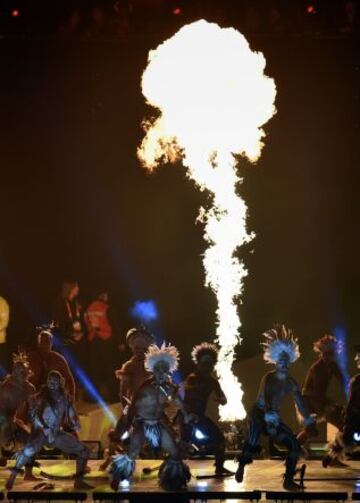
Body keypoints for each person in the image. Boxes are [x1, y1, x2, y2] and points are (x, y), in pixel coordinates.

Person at [235, 324, 315, 491]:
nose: (284, 364)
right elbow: (268, 400)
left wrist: (308, 420)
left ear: (290, 362)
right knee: (252, 442)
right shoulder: (269, 378)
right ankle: (242, 465)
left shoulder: (291, 383)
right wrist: (270, 423)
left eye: (286, 361)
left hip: (274, 416)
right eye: (281, 361)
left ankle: (288, 480)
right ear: (276, 362)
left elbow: (300, 403)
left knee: (294, 445)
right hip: (259, 414)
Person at [110, 343, 193, 491]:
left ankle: (171, 480)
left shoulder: (169, 388)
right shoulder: (145, 386)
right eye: (158, 369)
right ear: (153, 370)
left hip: (157, 424)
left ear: (168, 371)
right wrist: (127, 423)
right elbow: (132, 406)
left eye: (164, 369)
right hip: (141, 423)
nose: (161, 372)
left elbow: (179, 403)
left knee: (175, 453)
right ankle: (117, 475)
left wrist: (187, 415)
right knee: (133, 452)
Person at [5, 370, 91, 490]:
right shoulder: (40, 397)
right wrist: (44, 428)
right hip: (41, 433)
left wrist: (75, 422)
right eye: (50, 381)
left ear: (60, 382)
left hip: (55, 434)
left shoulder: (66, 398)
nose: (52, 383)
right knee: (28, 451)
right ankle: (11, 479)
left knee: (84, 450)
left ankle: (79, 481)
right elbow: (33, 415)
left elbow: (71, 413)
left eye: (55, 381)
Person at [181, 342, 233, 475]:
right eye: (204, 364)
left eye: (210, 364)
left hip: (200, 417)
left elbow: (224, 399)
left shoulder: (213, 382)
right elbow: (188, 398)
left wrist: (221, 400)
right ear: (198, 364)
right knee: (183, 445)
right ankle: (175, 469)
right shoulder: (192, 379)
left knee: (220, 439)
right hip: (186, 417)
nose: (207, 367)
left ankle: (219, 467)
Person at [297, 334, 345, 445]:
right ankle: (293, 453)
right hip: (308, 401)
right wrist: (319, 410)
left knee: (341, 424)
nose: (327, 356)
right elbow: (317, 392)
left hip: (320, 400)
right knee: (309, 431)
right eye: (325, 353)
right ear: (321, 353)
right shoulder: (316, 368)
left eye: (330, 353)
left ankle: (334, 454)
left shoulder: (333, 366)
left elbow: (344, 381)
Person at [322, 344, 360, 466]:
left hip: (355, 417)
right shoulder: (356, 380)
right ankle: (331, 456)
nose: (356, 359)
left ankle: (330, 456)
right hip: (355, 418)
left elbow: (352, 402)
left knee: (346, 437)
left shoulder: (357, 380)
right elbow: (352, 402)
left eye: (358, 356)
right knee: (345, 437)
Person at [0, 352, 36, 470]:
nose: (21, 374)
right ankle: (4, 453)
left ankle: (28, 474)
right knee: (6, 441)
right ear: (14, 372)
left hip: (11, 420)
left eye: (23, 371)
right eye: (18, 371)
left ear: (27, 372)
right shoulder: (6, 388)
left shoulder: (29, 388)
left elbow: (33, 411)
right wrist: (8, 424)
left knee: (32, 440)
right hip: (3, 420)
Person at [27, 325, 76, 399]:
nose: (45, 345)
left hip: (53, 397)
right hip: (33, 397)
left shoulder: (58, 359)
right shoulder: (29, 358)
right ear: (38, 343)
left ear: (51, 344)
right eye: (42, 342)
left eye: (47, 342)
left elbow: (70, 379)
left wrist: (72, 397)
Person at [115, 326, 154, 406]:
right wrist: (125, 409)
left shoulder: (153, 365)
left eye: (143, 349)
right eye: (137, 349)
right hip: (135, 405)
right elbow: (123, 392)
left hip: (152, 404)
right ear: (133, 349)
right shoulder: (129, 366)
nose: (140, 351)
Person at [84, 291, 114, 396]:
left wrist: (91, 331)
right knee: (109, 367)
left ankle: (92, 395)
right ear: (103, 296)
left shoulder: (89, 308)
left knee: (94, 368)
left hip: (94, 339)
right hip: (106, 339)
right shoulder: (106, 307)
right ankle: (112, 394)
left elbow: (86, 322)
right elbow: (112, 323)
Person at [53, 280, 85, 346]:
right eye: (76, 286)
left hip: (77, 339)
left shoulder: (76, 302)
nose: (78, 289)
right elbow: (59, 322)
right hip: (65, 341)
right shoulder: (61, 302)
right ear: (71, 288)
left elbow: (78, 319)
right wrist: (71, 333)